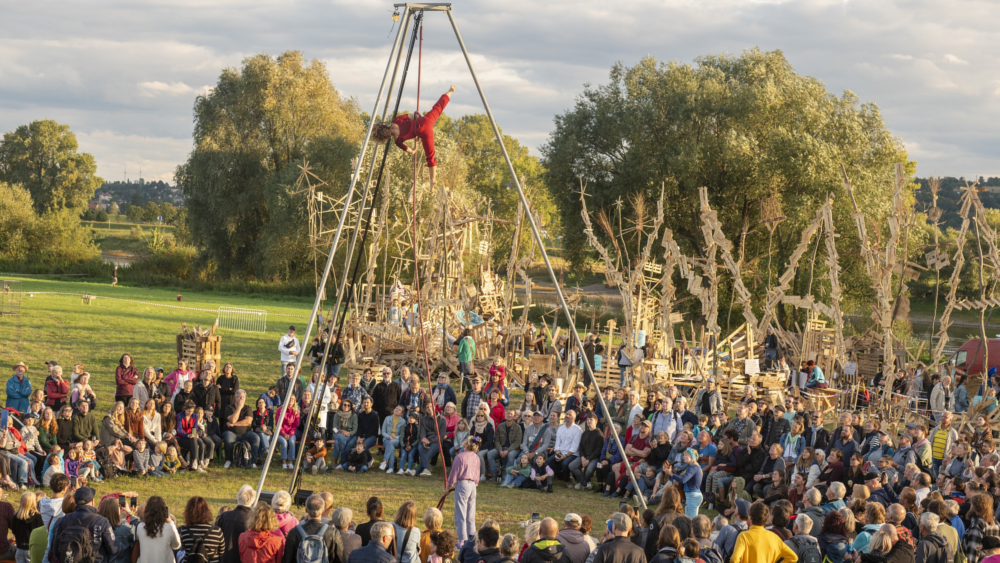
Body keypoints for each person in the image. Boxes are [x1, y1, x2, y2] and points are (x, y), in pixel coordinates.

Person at [378, 84, 455, 188]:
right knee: (438, 107)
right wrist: (416, 116)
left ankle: (433, 180)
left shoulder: (398, 141)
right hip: (425, 121)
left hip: (424, 133)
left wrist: (414, 149)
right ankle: (450, 91)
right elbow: (410, 116)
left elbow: (410, 151)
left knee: (430, 156)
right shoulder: (395, 121)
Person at [50, 487, 118, 563]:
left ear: (75, 503)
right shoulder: (102, 521)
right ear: (92, 502)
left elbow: (56, 549)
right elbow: (113, 549)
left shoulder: (65, 520)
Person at [282, 494, 344, 563]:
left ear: (306, 510)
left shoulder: (294, 532)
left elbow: (287, 560)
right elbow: (340, 559)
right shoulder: (333, 533)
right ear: (323, 511)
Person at [730, 502, 798, 563]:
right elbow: (793, 557)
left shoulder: (744, 536)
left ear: (750, 518)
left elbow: (734, 559)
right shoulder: (774, 537)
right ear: (765, 520)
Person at [448, 437, 481, 544]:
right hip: (472, 486)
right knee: (470, 513)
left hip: (463, 484)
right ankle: (471, 538)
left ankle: (462, 540)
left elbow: (454, 473)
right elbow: (477, 472)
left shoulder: (460, 457)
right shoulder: (476, 457)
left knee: (460, 513)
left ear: (466, 445)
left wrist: (448, 486)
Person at [223, 390, 261, 469]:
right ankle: (229, 460)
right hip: (231, 432)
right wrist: (239, 408)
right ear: (235, 398)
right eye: (240, 397)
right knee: (228, 439)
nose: (242, 398)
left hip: (245, 433)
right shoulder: (229, 407)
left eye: (243, 397)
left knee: (255, 438)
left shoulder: (248, 408)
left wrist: (234, 424)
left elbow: (248, 421)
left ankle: (252, 461)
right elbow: (232, 419)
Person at [11, 491, 42, 563]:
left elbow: (13, 530)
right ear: (33, 502)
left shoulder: (16, 516)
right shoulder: (37, 517)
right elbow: (41, 533)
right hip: (32, 549)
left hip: (19, 548)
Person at [381, 406, 405, 474]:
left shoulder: (403, 421)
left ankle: (385, 461)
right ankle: (391, 467)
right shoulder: (387, 418)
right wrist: (389, 436)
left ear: (401, 413)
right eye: (396, 408)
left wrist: (395, 437)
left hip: (397, 440)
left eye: (399, 410)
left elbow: (402, 435)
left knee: (391, 443)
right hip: (387, 439)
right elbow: (383, 431)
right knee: (391, 445)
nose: (397, 410)